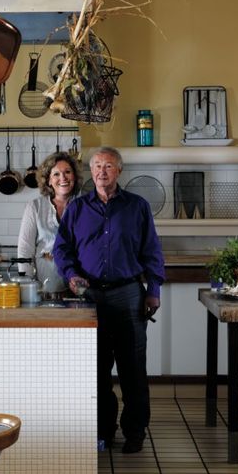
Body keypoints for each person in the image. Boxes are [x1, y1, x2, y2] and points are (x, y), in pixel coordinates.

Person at [53, 146, 165, 453]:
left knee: (133, 370)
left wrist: (153, 290)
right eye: (98, 166)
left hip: (129, 294)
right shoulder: (77, 209)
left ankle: (135, 432)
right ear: (92, 171)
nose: (103, 171)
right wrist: (71, 274)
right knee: (97, 370)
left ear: (119, 171)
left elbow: (152, 252)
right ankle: (103, 430)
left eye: (109, 166)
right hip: (90, 297)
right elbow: (62, 249)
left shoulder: (137, 207)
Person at [17, 151, 83, 294]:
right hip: (45, 281)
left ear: (75, 177)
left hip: (79, 279)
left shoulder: (85, 206)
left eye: (67, 172)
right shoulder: (35, 207)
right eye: (56, 174)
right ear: (48, 180)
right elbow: (25, 248)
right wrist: (27, 284)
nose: (63, 178)